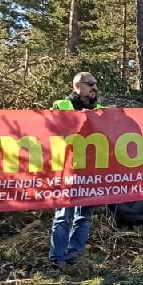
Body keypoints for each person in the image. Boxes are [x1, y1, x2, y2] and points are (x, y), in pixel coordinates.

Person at [48, 72, 103, 267]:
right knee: (63, 216)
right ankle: (57, 259)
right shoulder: (61, 106)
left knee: (85, 217)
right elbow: (49, 131)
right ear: (77, 86)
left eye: (95, 84)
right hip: (67, 171)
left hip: (91, 171)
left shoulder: (102, 111)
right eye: (90, 84)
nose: (94, 87)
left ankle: (75, 257)